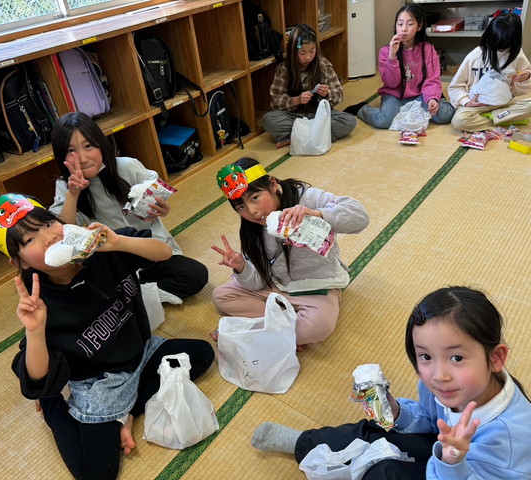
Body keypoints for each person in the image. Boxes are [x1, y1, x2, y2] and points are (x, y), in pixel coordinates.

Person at [0, 193, 215, 480]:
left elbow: (164, 253)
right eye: (30, 240)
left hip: (140, 352)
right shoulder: (40, 302)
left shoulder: (103, 251)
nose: (48, 237)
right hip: (99, 382)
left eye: (48, 224)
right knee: (97, 474)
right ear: (21, 262)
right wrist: (35, 331)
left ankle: (128, 412)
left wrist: (118, 243)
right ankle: (53, 403)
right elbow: (36, 377)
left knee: (201, 354)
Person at [251, 286, 531, 479]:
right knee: (374, 430)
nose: (438, 374)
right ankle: (304, 443)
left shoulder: (511, 442)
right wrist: (397, 411)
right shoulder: (445, 386)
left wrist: (451, 462)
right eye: (425, 356)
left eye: (456, 357)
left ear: (496, 358)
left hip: (465, 471)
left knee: (385, 471)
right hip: (451, 456)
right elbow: (430, 420)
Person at [49, 112, 207, 304]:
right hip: (114, 259)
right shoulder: (65, 185)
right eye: (71, 150)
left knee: (196, 275)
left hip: (149, 248)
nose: (82, 158)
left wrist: (163, 209)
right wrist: (73, 194)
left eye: (88, 146)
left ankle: (139, 295)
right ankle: (134, 293)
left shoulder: (127, 167)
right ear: (61, 156)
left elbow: (157, 193)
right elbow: (61, 230)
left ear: (100, 144)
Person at [211, 157, 369, 348]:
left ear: (272, 185)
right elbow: (258, 281)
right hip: (277, 284)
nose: (252, 211)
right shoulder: (252, 229)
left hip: (316, 287)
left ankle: (251, 330)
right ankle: (286, 330)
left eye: (255, 198)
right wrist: (241, 266)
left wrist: (318, 214)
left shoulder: (307, 198)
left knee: (318, 326)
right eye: (241, 207)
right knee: (221, 295)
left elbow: (360, 217)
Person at [344, 4, 454, 129]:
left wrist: (432, 98)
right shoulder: (385, 51)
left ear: (419, 26)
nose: (404, 29)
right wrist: (392, 56)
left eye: (410, 24)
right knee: (383, 121)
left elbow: (432, 79)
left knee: (444, 115)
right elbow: (391, 83)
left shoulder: (428, 49)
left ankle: (438, 97)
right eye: (400, 24)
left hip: (420, 95)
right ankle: (362, 109)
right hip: (395, 96)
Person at [262, 24, 356, 148]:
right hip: (295, 116)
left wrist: (327, 93)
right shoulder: (285, 69)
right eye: (302, 53)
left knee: (349, 121)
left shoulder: (323, 66)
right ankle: (317, 136)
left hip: (319, 115)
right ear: (293, 52)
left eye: (312, 51)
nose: (308, 57)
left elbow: (339, 94)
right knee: (268, 120)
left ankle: (296, 137)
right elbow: (275, 101)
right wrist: (296, 100)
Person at [448, 13, 531, 132]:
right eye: (497, 45)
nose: (500, 50)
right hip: (478, 105)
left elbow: (518, 91)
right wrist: (466, 102)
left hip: (503, 103)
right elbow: (455, 86)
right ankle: (501, 119)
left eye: (505, 46)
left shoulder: (517, 55)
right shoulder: (475, 55)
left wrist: (526, 77)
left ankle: (492, 118)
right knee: (459, 121)